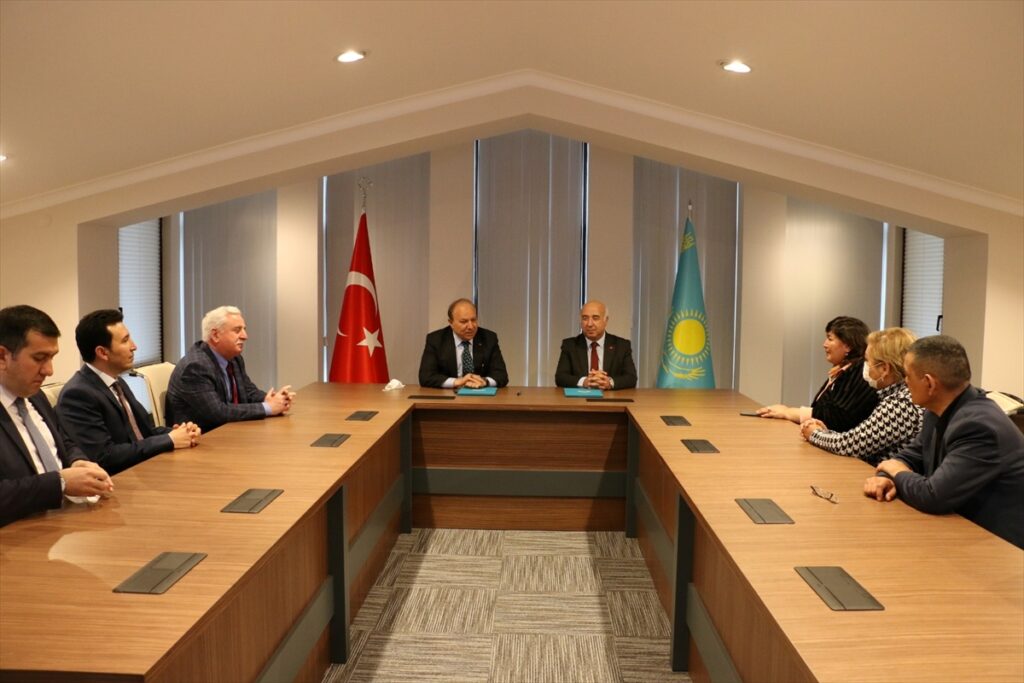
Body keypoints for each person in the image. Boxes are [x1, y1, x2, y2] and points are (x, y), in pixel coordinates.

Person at [864, 335, 1024, 548]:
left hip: (999, 547)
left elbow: (932, 496)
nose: (905, 382)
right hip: (959, 530)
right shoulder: (939, 409)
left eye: (908, 375)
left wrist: (897, 472)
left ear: (929, 383)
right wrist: (887, 477)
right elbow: (911, 455)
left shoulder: (978, 427)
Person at [0, 305, 114, 527]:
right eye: (39, 358)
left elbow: (62, 440)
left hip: (63, 521)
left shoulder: (35, 395)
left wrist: (78, 461)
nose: (49, 370)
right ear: (3, 356)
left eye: (52, 357)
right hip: (18, 535)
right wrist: (60, 483)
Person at [57, 309, 201, 475]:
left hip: (145, 470)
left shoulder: (117, 382)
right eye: (125, 341)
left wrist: (181, 433)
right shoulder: (78, 394)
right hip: (121, 479)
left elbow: (144, 432)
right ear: (102, 352)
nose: (134, 346)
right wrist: (169, 440)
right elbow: (105, 456)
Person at [801, 327, 923, 465]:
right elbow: (859, 440)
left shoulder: (900, 404)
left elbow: (848, 446)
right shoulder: (898, 395)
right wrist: (824, 433)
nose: (864, 366)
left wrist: (814, 433)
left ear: (884, 369)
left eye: (867, 360)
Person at [165, 306, 295, 432]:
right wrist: (268, 408)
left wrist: (271, 399)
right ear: (215, 335)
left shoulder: (234, 358)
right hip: (203, 437)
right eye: (237, 330)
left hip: (230, 431)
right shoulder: (195, 367)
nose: (245, 336)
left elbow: (248, 392)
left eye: (244, 329)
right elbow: (218, 412)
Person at [757, 316, 878, 432]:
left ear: (848, 346)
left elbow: (836, 416)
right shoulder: (843, 370)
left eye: (830, 339)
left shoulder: (859, 372)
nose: (824, 344)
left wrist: (787, 412)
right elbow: (823, 410)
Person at [418, 298, 508, 389]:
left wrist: (485, 381)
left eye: (473, 320)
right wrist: (456, 382)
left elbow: (502, 375)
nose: (471, 326)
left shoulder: (489, 338)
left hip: (480, 394)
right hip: (448, 395)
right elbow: (426, 377)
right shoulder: (436, 340)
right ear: (451, 323)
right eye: (464, 322)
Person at [555, 300, 637, 390]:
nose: (589, 324)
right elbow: (560, 377)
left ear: (606, 320)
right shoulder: (570, 345)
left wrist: (609, 382)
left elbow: (631, 378)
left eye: (595, 318)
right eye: (585, 318)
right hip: (580, 397)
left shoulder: (621, 346)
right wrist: (584, 381)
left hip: (610, 397)